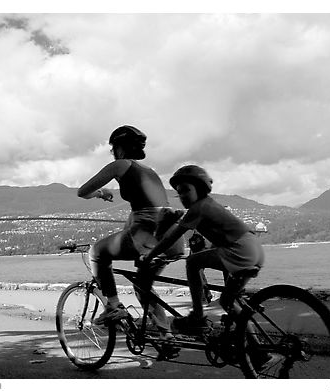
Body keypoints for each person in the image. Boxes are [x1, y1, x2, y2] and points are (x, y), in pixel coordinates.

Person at [77, 125, 184, 341]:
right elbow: (149, 208)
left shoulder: (120, 165)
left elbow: (82, 191)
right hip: (173, 238)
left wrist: (101, 193)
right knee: (143, 288)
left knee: (97, 252)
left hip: (148, 234)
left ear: (118, 148)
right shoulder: (150, 172)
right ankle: (167, 337)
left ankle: (113, 306)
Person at [140, 165, 265, 334]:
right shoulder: (210, 205)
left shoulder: (198, 208)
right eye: (179, 193)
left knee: (192, 262)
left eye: (186, 190)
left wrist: (149, 255)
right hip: (254, 249)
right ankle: (256, 350)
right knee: (228, 302)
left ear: (199, 188)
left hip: (240, 250)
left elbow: (171, 238)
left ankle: (197, 316)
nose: (182, 196)